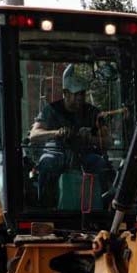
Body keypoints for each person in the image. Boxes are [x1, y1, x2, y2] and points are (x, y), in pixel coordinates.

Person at [28, 65, 110, 207]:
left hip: (85, 153)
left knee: (100, 164)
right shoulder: (51, 110)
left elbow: (107, 141)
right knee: (47, 163)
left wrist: (90, 138)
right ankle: (44, 208)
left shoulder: (93, 112)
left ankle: (104, 208)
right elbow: (34, 135)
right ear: (65, 93)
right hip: (56, 152)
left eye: (82, 95)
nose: (79, 99)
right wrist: (56, 133)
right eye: (76, 94)